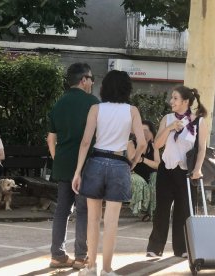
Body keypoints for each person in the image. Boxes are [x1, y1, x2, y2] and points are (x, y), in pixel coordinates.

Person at [72, 70, 145, 276]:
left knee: (92, 219)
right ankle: (107, 269)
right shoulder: (132, 111)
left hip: (95, 161)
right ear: (126, 88)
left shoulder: (96, 108)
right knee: (111, 222)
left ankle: (90, 267)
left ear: (104, 88)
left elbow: (86, 141)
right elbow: (142, 143)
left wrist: (78, 171)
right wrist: (133, 161)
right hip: (120, 164)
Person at [47, 63, 99, 269]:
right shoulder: (93, 103)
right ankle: (80, 256)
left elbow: (51, 139)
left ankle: (57, 255)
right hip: (85, 164)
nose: (92, 83)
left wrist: (57, 159)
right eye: (91, 79)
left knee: (62, 210)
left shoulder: (58, 104)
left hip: (62, 165)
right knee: (84, 210)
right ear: (83, 80)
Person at [146, 85, 208, 258]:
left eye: (175, 98)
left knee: (184, 211)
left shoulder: (199, 122)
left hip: (186, 172)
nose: (171, 101)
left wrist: (197, 169)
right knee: (162, 210)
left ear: (185, 102)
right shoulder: (167, 118)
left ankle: (181, 249)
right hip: (166, 169)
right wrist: (169, 128)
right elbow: (157, 145)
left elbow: (202, 148)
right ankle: (155, 247)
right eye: (171, 98)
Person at [128, 120, 160, 221]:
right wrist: (141, 145)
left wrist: (143, 159)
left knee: (156, 177)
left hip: (149, 175)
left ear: (151, 133)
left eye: (146, 131)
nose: (143, 133)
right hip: (132, 174)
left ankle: (153, 212)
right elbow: (132, 160)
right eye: (140, 131)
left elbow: (158, 165)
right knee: (139, 182)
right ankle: (141, 211)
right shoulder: (131, 144)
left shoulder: (154, 146)